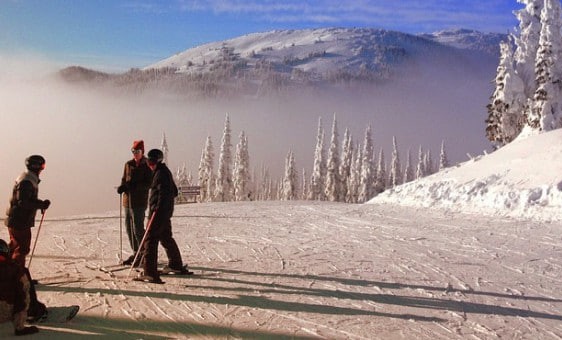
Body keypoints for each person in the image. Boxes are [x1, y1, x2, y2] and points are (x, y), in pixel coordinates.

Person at [4, 155, 49, 320]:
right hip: (19, 221)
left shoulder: (28, 178)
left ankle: (16, 276)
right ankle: (18, 278)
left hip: (18, 220)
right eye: (43, 166)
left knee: (15, 247)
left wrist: (40, 203)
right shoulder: (27, 180)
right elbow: (23, 202)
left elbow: (25, 200)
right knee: (20, 249)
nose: (43, 169)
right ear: (37, 167)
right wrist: (40, 205)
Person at [136, 149, 189, 283]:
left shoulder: (160, 174)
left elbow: (165, 194)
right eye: (149, 161)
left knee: (150, 239)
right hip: (164, 213)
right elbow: (175, 192)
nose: (150, 164)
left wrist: (156, 210)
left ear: (158, 161)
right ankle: (175, 265)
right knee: (166, 237)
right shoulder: (163, 172)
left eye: (152, 161)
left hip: (158, 213)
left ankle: (150, 272)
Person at [117, 140, 152, 266]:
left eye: (137, 151)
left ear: (142, 151)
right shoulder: (128, 164)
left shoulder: (147, 165)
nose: (135, 154)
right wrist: (122, 187)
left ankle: (143, 254)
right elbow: (124, 179)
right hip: (128, 201)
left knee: (138, 228)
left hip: (139, 202)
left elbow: (149, 183)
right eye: (133, 151)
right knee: (128, 227)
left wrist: (134, 186)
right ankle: (136, 251)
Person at [0, 239, 39, 336]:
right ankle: (34, 310)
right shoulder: (16, 271)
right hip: (5, 313)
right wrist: (20, 327)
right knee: (23, 290)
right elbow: (22, 298)